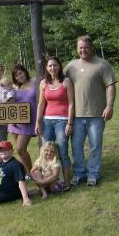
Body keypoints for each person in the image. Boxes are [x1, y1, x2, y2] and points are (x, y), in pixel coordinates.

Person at [64, 35, 117, 186]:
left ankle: (93, 174)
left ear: (91, 47)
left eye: (86, 47)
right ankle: (79, 173)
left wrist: (110, 106)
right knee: (76, 146)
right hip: (76, 116)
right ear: (77, 48)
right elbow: (57, 79)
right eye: (80, 47)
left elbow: (111, 86)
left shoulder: (102, 64)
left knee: (95, 145)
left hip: (96, 115)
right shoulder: (71, 66)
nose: (83, 50)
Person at [35, 56, 74, 190]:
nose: (53, 68)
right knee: (46, 152)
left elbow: (71, 103)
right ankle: (48, 181)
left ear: (59, 66)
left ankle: (66, 181)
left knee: (62, 151)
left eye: (55, 65)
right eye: (50, 66)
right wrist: (37, 122)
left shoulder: (66, 82)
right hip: (47, 121)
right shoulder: (43, 83)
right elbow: (41, 104)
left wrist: (70, 123)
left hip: (62, 121)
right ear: (46, 68)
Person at [7, 64, 37, 175]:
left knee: (20, 149)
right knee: (21, 151)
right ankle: (27, 172)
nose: (19, 76)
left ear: (25, 71)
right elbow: (10, 103)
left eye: (20, 73)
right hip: (16, 122)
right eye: (16, 75)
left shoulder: (35, 81)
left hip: (29, 120)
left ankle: (32, 172)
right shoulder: (15, 87)